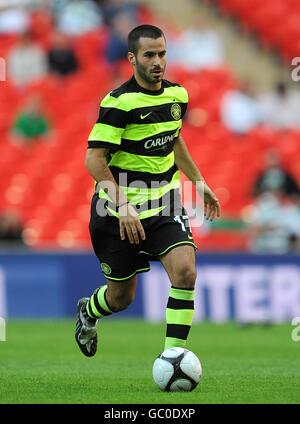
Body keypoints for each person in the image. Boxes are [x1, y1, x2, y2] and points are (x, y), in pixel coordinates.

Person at [75, 25, 220, 357]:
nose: (158, 61)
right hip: (115, 213)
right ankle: (89, 311)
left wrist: (199, 183)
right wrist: (123, 205)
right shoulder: (118, 103)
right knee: (121, 299)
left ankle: (173, 357)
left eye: (162, 53)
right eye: (149, 55)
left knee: (185, 271)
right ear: (132, 58)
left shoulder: (177, 96)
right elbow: (94, 160)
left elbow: (175, 138)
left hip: (165, 202)